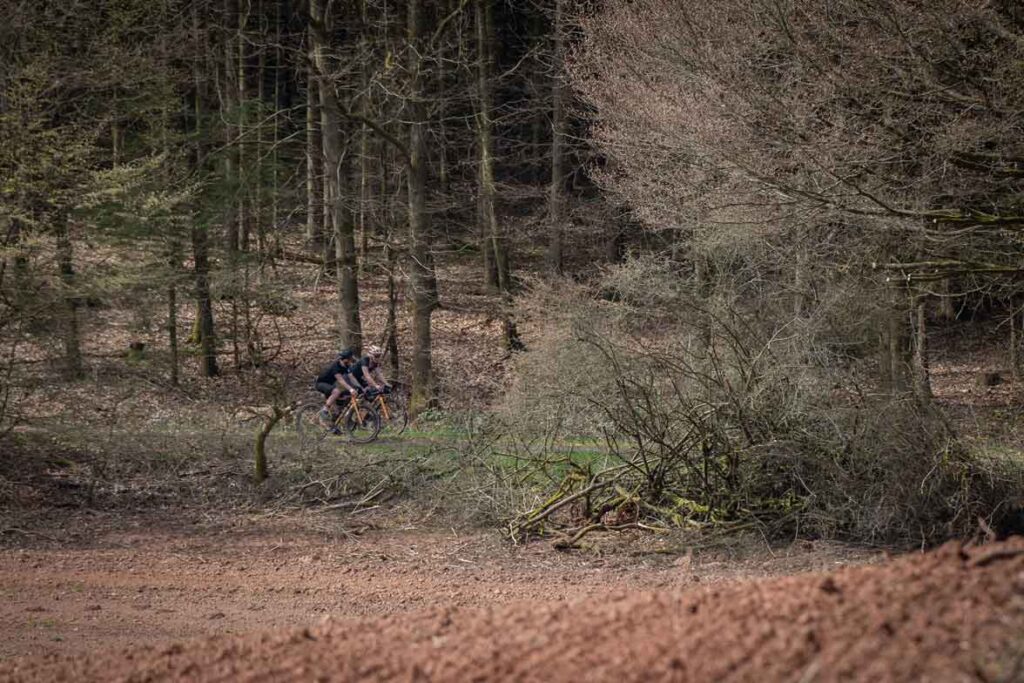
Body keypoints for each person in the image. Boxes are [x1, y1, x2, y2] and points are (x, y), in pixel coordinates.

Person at [314, 349, 361, 429]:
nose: (351, 361)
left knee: (345, 396)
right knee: (336, 392)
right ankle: (324, 411)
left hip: (330, 385)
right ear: (346, 359)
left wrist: (359, 387)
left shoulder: (346, 366)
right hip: (321, 383)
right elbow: (340, 380)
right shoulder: (335, 366)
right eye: (350, 359)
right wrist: (351, 389)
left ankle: (334, 423)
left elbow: (351, 377)